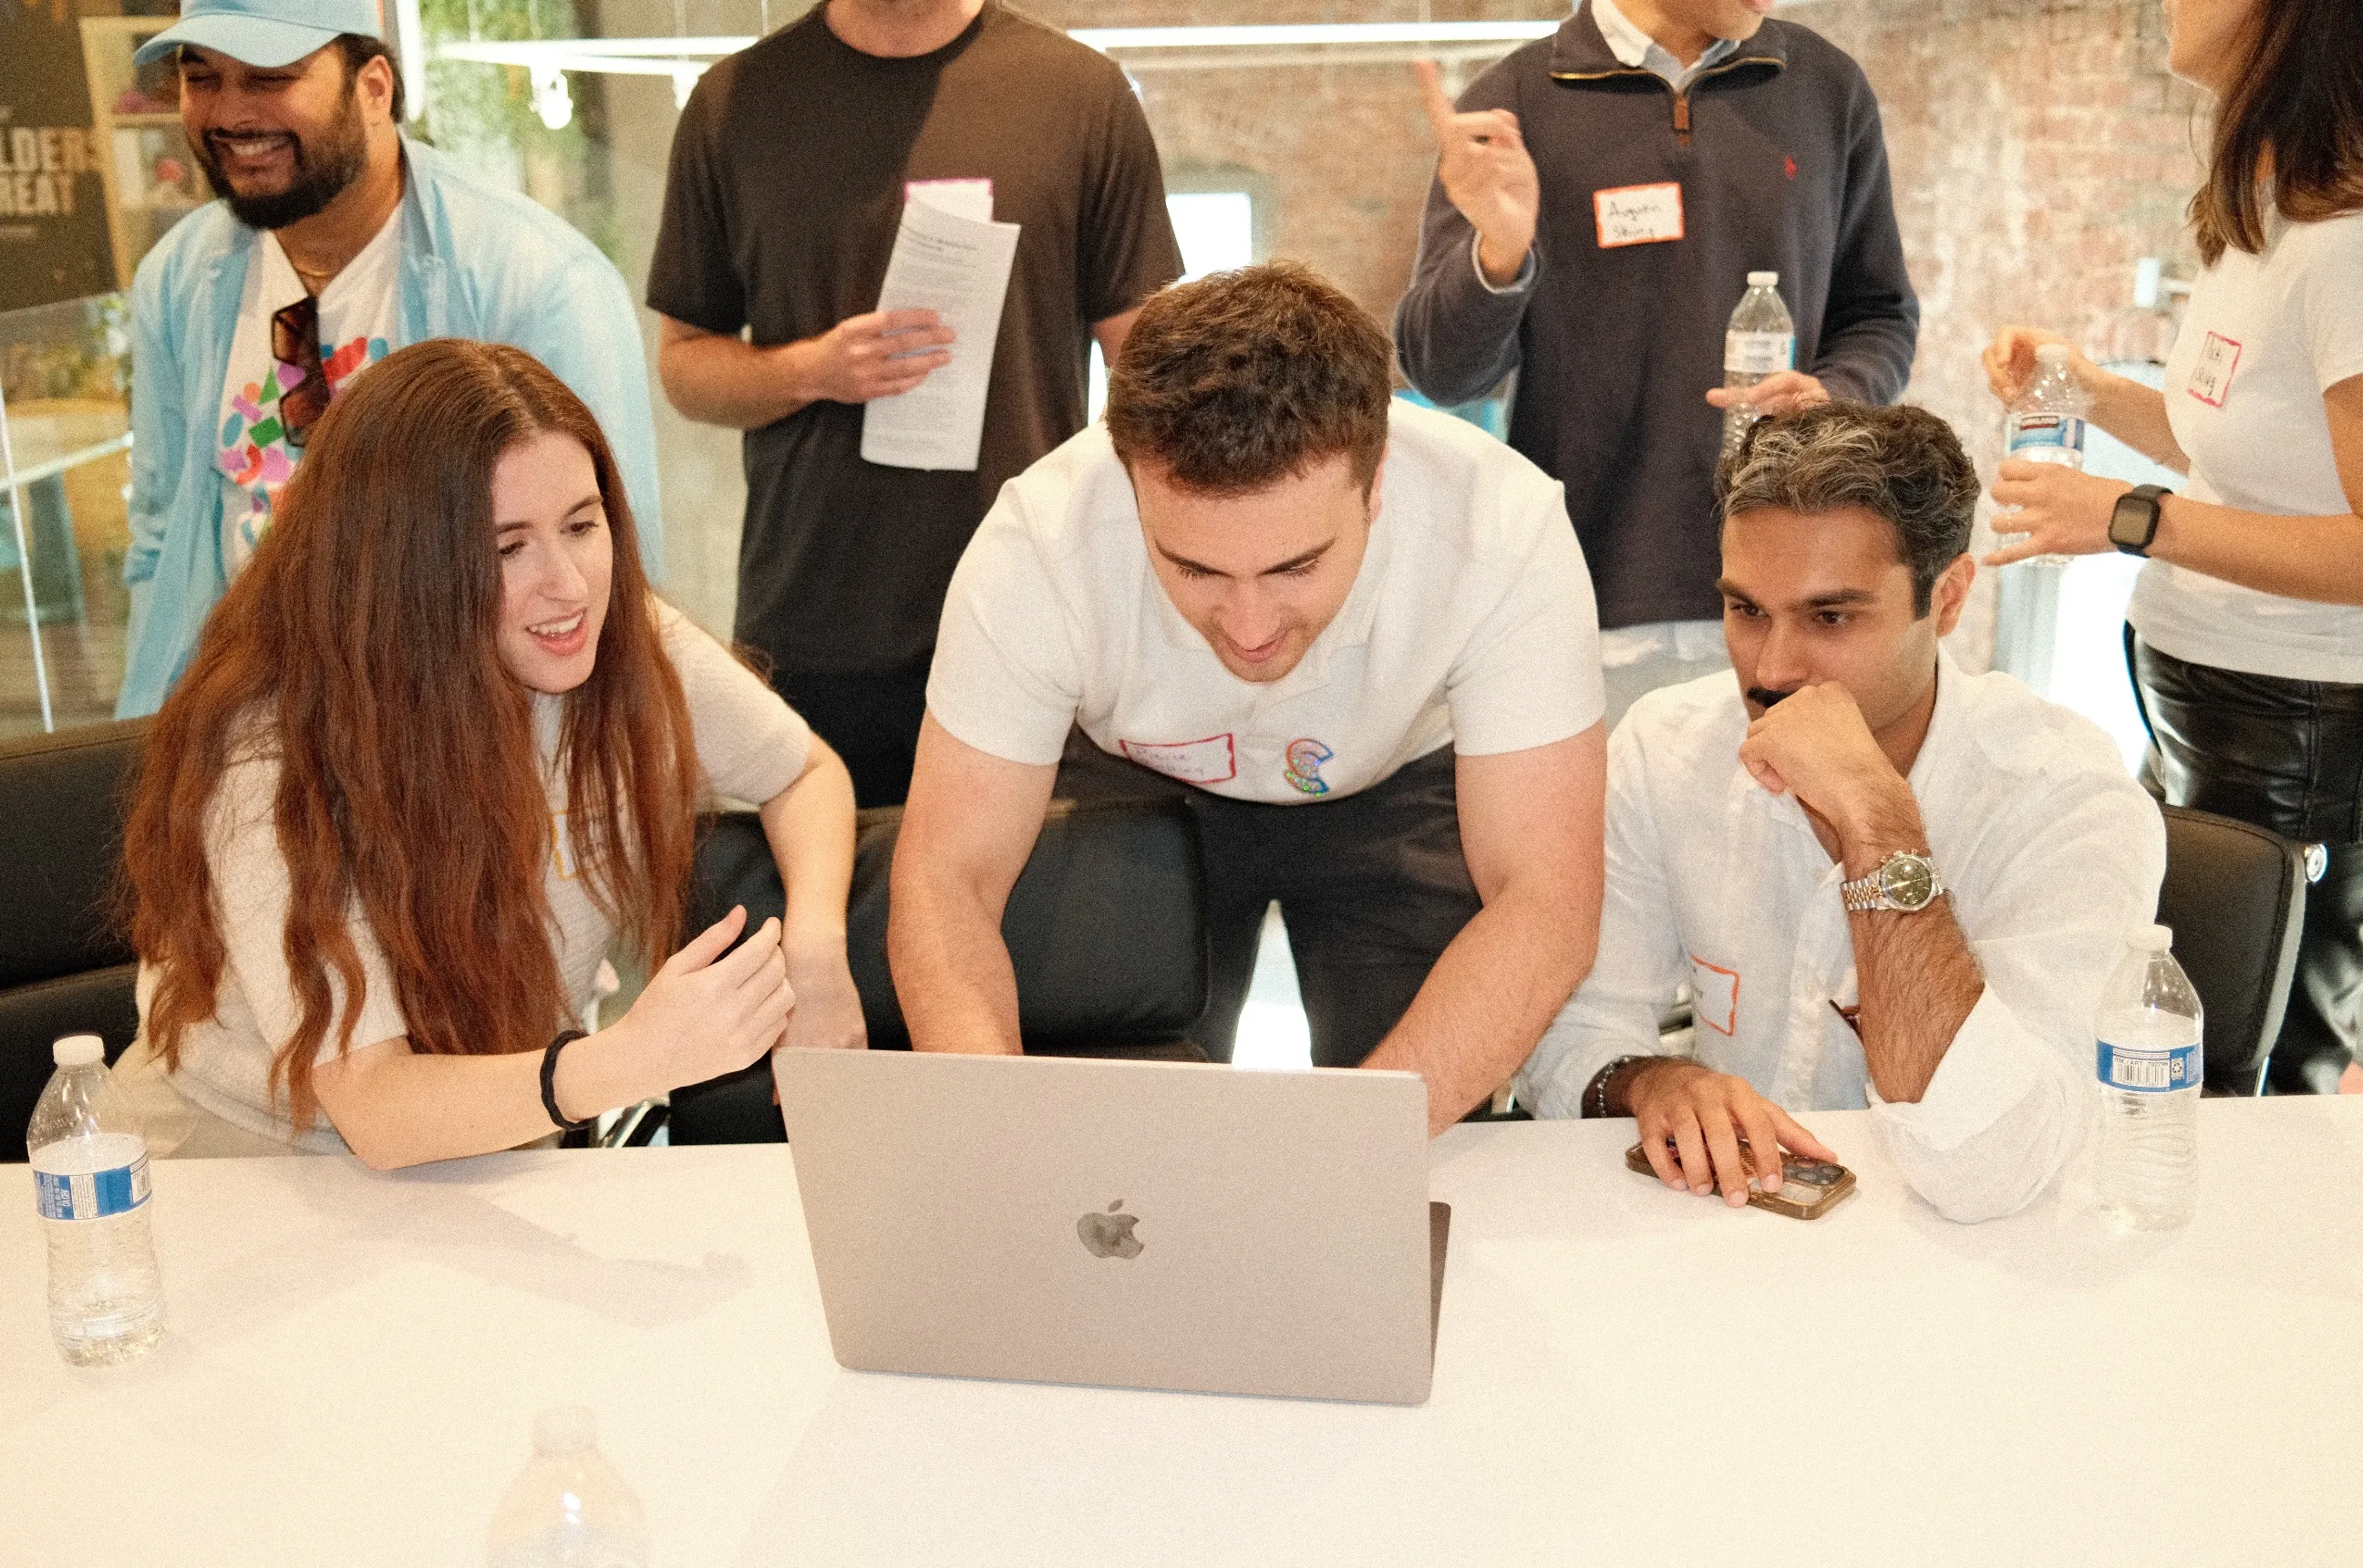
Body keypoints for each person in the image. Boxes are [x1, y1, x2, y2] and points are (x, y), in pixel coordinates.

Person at [890, 263, 1606, 1134]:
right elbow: (946, 879)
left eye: (1295, 566)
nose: (1251, 626)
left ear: (1378, 486)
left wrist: (1350, 1153)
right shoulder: (1039, 544)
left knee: (1412, 1136)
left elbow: (1547, 902)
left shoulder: (1502, 530)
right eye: (1194, 568)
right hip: (1143, 784)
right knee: (1121, 1136)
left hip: (1398, 787)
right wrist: (1001, 1137)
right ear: (1128, 482)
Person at [118, 341, 862, 1168]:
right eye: (509, 549)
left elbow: (802, 771)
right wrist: (627, 1059)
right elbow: (376, 1104)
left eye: (582, 526)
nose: (570, 586)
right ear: (403, 569)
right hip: (243, 1166)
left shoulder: (622, 648)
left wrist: (818, 954)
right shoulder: (271, 755)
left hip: (500, 1143)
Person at [1515, 403, 2166, 1223]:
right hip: (1728, 1245)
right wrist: (1651, 1081)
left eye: (1831, 617)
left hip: (1987, 1271)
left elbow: (1989, 1168)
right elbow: (1573, 1022)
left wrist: (1875, 821)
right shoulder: (1667, 747)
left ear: (1951, 597)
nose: (1772, 668)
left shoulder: (2065, 798)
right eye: (1746, 610)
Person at [648, 0, 1184, 809]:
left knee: (1032, 920)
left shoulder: (1080, 96)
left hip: (1030, 610)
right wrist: (812, 370)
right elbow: (686, 368)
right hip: (816, 619)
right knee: (835, 922)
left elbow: (1152, 373)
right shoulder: (735, 104)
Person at [1982, 0, 2363, 1097]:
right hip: (2204, 700)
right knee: (2174, 1039)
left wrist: (2130, 516)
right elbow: (2251, 453)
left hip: (2294, 730)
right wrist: (2091, 390)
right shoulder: (2271, 219)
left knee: (2259, 1080)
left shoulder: (2343, 250)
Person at [116, 0, 663, 719]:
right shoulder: (179, 279)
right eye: (203, 79)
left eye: (270, 78)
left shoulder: (537, 283)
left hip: (460, 745)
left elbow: (612, 574)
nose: (230, 113)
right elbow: (160, 540)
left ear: (373, 88)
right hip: (248, 736)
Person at [1394, 0, 1918, 727]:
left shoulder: (1826, 87)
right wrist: (1499, 252)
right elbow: (1442, 372)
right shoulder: (1515, 102)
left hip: (1790, 595)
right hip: (1582, 598)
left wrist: (1837, 393)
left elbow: (1881, 315)